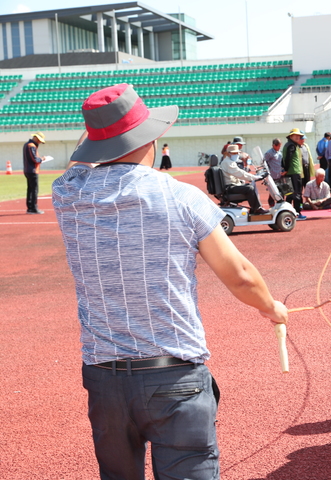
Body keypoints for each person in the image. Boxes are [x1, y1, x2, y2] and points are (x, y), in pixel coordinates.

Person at [51, 83, 288, 479]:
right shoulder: (180, 196)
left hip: (105, 377)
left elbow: (78, 163)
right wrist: (271, 306)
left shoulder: (69, 195)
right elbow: (240, 275)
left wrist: (98, 135)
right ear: (150, 137)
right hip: (173, 373)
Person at [221, 144, 268, 215]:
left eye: (237, 153)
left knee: (249, 186)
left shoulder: (228, 161)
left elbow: (239, 174)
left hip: (231, 185)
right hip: (229, 188)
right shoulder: (228, 162)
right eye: (234, 153)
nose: (236, 154)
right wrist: (256, 177)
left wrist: (252, 177)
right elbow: (240, 173)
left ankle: (254, 208)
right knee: (249, 188)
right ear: (228, 153)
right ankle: (257, 209)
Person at [282, 128, 314, 219]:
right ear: (291, 136)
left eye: (299, 136)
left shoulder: (288, 145)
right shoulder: (292, 145)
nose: (298, 137)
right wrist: (286, 169)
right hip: (294, 172)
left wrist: (285, 169)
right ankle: (297, 212)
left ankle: (288, 211)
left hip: (292, 171)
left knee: (289, 193)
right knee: (297, 193)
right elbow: (287, 158)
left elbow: (284, 159)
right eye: (296, 135)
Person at [23, 132, 46, 214]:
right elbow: (35, 159)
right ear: (36, 138)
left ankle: (30, 207)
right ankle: (33, 208)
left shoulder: (27, 145)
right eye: (39, 140)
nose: (39, 142)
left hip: (28, 170)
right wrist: (42, 159)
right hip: (32, 170)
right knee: (34, 190)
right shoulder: (31, 146)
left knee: (30, 189)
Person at [264, 138, 283, 207]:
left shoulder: (280, 153)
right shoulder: (269, 153)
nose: (279, 148)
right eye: (278, 146)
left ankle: (279, 205)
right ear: (274, 145)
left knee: (281, 191)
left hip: (280, 175)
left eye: (280, 146)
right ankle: (271, 205)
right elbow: (263, 162)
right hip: (273, 176)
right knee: (273, 192)